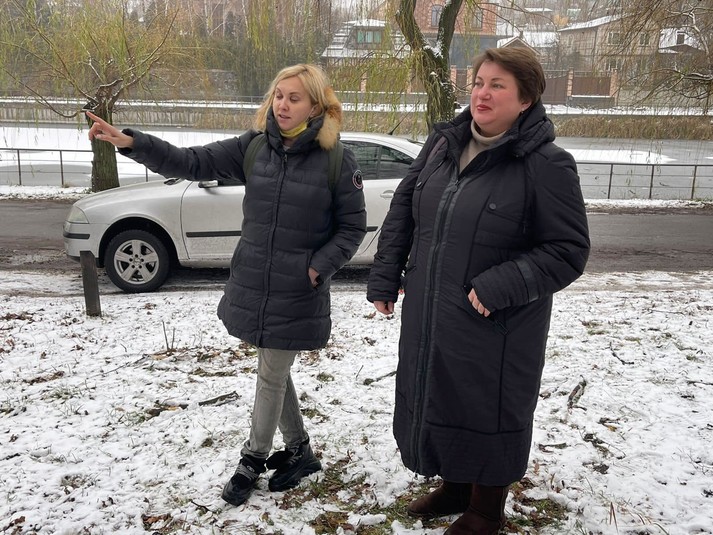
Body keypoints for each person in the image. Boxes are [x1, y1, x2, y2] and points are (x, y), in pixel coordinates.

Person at [87, 64, 367, 507]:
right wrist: (132, 143)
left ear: (315, 107)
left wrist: (315, 269)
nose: (282, 105)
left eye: (294, 98)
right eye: (278, 95)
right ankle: (300, 451)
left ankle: (252, 460)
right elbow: (191, 161)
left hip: (298, 288)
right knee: (274, 370)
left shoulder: (336, 159)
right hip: (255, 281)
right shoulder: (254, 147)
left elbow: (352, 229)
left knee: (270, 374)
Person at [366, 47, 590, 534]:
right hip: (432, 306)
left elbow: (568, 250)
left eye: (497, 86)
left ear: (526, 99)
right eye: (478, 82)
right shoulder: (443, 144)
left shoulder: (547, 164)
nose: (482, 94)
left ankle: (487, 510)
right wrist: (386, 273)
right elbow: (405, 207)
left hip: (499, 321)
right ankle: (455, 486)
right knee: (440, 391)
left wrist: (498, 285)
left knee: (486, 404)